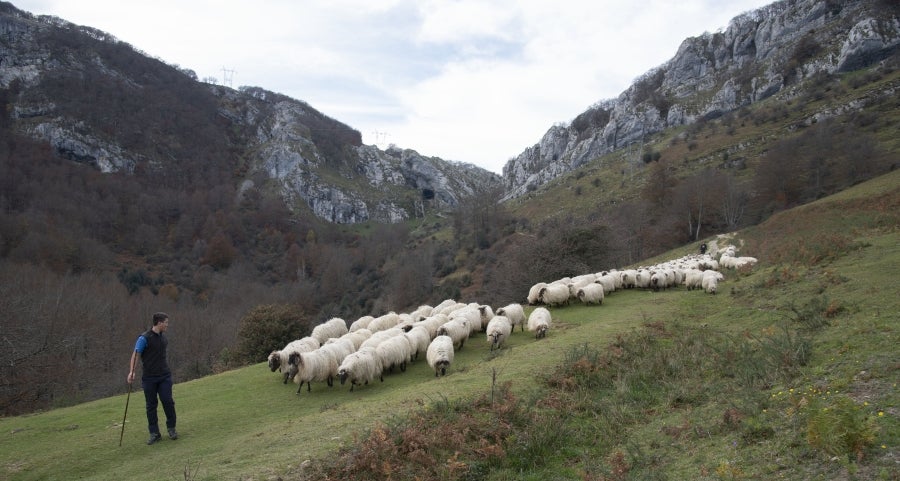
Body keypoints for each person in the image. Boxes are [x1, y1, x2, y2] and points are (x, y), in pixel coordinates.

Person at [127, 312, 178, 445]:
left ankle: (171, 428)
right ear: (159, 323)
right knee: (151, 405)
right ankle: (154, 433)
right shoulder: (144, 338)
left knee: (167, 401)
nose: (167, 325)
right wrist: (132, 372)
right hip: (149, 378)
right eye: (166, 322)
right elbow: (136, 355)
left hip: (164, 376)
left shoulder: (163, 338)